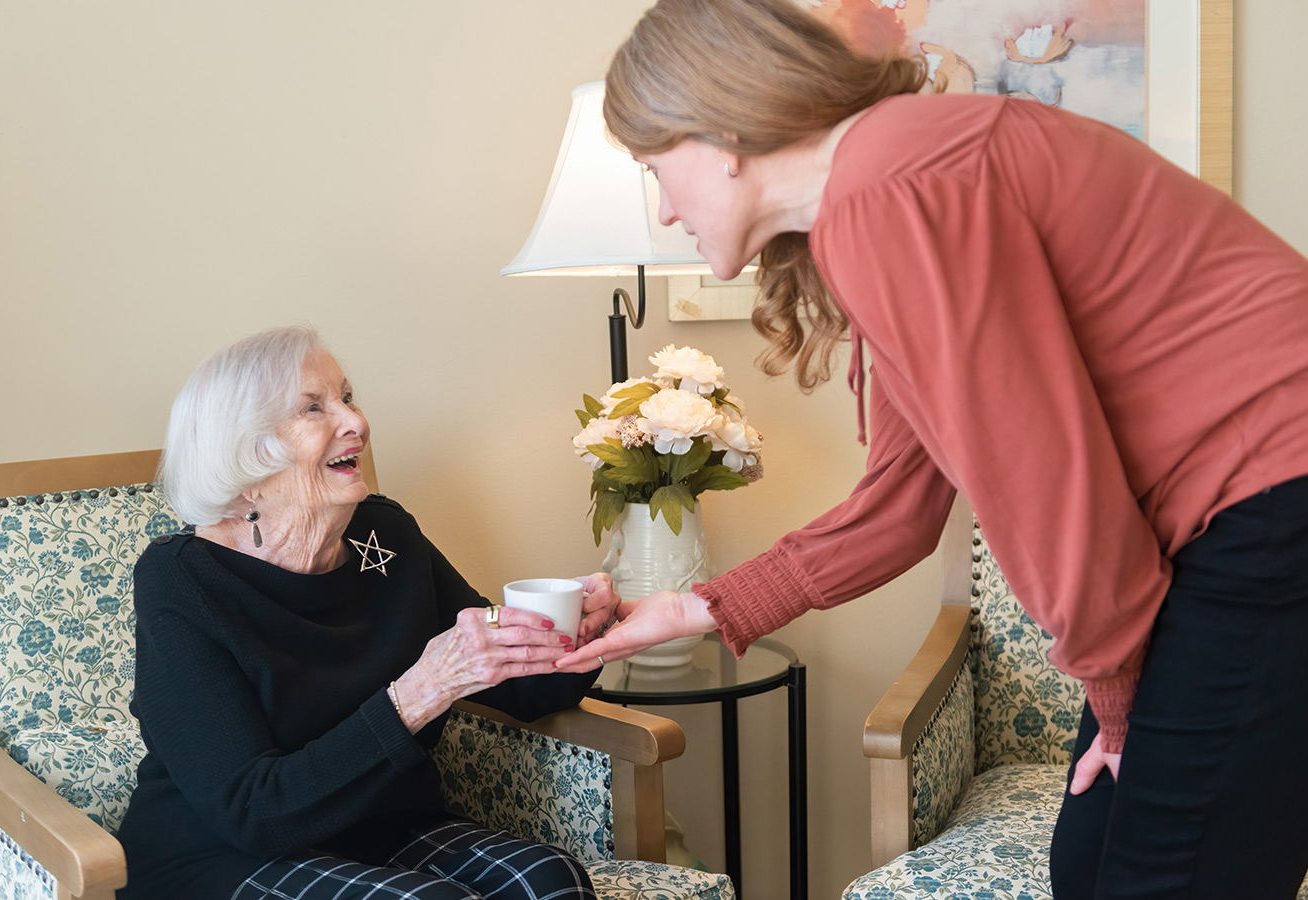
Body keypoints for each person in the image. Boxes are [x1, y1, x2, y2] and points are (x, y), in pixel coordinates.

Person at [557, 1, 1308, 897]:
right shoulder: (886, 180)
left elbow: (1045, 481)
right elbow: (903, 507)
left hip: (1273, 499)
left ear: (720, 130)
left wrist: (1117, 694)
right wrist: (691, 610)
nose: (667, 213)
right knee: (1091, 860)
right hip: (1244, 514)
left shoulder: (892, 185)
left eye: (655, 168)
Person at [118, 326, 613, 900]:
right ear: (246, 453)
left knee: (549, 879)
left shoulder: (387, 532)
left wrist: (585, 630)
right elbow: (252, 811)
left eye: (347, 397)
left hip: (382, 828)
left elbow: (520, 692)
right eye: (313, 407)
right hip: (221, 857)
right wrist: (420, 692)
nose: (356, 422)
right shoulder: (184, 580)